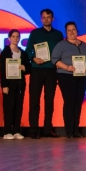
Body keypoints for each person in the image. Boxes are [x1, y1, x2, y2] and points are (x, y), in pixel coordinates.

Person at [26, 9, 64, 138]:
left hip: (51, 71)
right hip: (36, 69)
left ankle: (47, 129)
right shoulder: (35, 33)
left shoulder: (58, 34)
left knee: (49, 101)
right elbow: (28, 51)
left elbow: (61, 52)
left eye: (49, 17)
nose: (46, 19)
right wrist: (33, 58)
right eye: (44, 17)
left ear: (53, 19)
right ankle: (33, 130)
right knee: (34, 100)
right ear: (41, 19)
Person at [52, 21, 86, 138]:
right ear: (66, 32)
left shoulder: (84, 45)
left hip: (82, 77)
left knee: (78, 103)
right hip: (66, 76)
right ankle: (69, 131)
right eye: (69, 30)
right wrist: (67, 67)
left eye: (73, 29)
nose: (71, 32)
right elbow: (54, 60)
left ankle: (76, 130)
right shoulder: (61, 45)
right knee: (69, 103)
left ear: (77, 31)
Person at [0, 29, 30, 139]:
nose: (15, 38)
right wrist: (4, 85)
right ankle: (7, 131)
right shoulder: (5, 52)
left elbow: (29, 67)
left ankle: (16, 130)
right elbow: (2, 70)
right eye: (13, 36)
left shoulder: (23, 53)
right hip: (9, 84)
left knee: (18, 107)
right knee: (9, 107)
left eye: (17, 36)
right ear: (9, 38)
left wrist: (24, 68)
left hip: (20, 84)